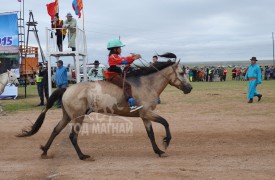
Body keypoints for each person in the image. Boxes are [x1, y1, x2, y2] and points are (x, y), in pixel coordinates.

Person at [106, 38, 143, 112]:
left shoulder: (115, 56)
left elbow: (124, 60)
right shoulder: (112, 56)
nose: (121, 49)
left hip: (117, 75)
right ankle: (132, 105)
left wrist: (133, 58)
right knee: (126, 85)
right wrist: (133, 57)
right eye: (119, 48)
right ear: (115, 49)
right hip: (113, 76)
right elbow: (123, 60)